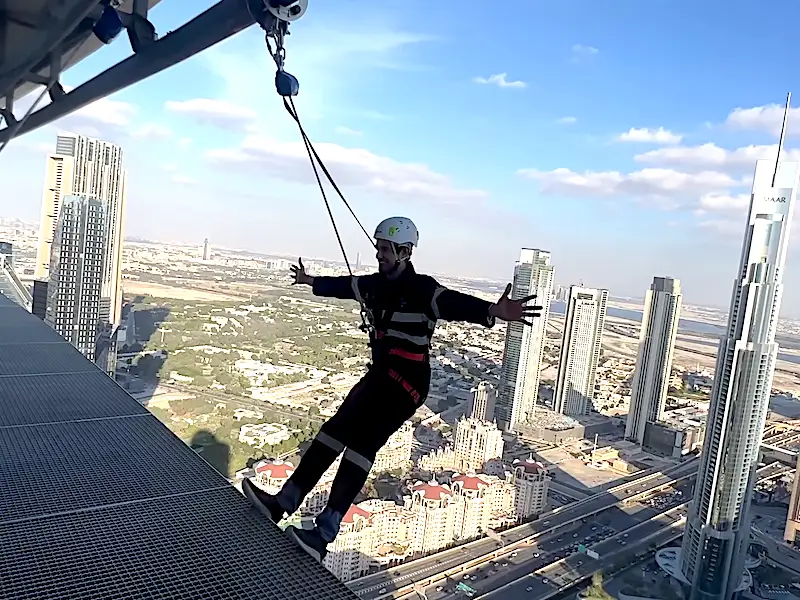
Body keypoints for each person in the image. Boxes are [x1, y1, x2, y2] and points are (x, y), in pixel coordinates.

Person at [243, 216, 542, 561]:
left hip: (406, 384)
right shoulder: (373, 285)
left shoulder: (423, 290)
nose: (379, 255)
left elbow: (458, 304)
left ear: (403, 252)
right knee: (331, 433)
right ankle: (283, 503)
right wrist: (309, 280)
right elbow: (345, 286)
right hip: (382, 375)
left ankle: (323, 533)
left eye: (385, 250)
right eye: (378, 248)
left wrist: (493, 310)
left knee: (361, 445)